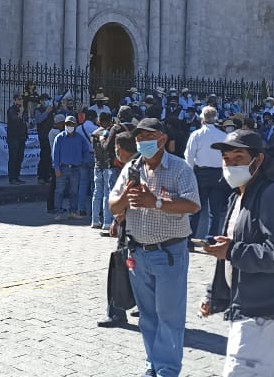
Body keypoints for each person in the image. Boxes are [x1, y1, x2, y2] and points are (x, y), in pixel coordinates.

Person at [201, 129, 274, 377]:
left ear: (258, 160)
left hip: (265, 308)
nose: (230, 165)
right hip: (248, 303)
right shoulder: (240, 195)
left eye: (238, 158)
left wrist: (232, 250)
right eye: (226, 159)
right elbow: (231, 248)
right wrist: (215, 293)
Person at [108, 118, 200, 377]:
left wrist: (156, 202)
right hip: (138, 254)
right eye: (139, 138)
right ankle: (153, 365)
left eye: (147, 137)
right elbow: (113, 205)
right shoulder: (132, 168)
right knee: (148, 317)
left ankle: (167, 371)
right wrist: (125, 198)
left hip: (169, 254)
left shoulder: (180, 168)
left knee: (169, 318)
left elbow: (193, 205)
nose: (142, 142)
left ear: (161, 139)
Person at [97, 130, 138, 328]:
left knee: (120, 267)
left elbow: (128, 198)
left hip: (131, 228)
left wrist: (118, 218)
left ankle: (116, 311)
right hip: (136, 227)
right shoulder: (141, 164)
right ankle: (140, 304)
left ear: (119, 149)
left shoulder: (133, 167)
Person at [184, 106, 232, 240]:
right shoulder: (223, 136)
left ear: (202, 119)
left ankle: (189, 237)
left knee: (196, 207)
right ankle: (211, 237)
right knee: (215, 210)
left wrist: (190, 172)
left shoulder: (197, 135)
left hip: (201, 173)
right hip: (218, 173)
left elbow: (189, 156)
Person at [52, 115, 91, 220]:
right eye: (67, 124)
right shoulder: (59, 138)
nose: (69, 126)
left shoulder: (80, 139)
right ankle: (58, 213)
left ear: (75, 125)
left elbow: (86, 151)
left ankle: (72, 212)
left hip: (75, 168)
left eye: (71, 124)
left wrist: (83, 162)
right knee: (59, 191)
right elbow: (55, 154)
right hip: (62, 168)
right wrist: (56, 168)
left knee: (74, 191)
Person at [90, 112, 121, 232]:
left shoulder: (94, 134)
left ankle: (95, 219)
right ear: (109, 121)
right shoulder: (107, 133)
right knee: (107, 194)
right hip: (107, 165)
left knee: (97, 193)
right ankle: (107, 222)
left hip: (97, 165)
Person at [6, 93, 29, 185]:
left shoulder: (24, 110)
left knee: (20, 158)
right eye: (19, 99)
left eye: (22, 99)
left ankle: (17, 176)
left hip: (22, 137)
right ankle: (12, 178)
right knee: (13, 158)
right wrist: (21, 113)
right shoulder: (11, 110)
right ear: (15, 100)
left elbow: (26, 121)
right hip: (13, 137)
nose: (21, 101)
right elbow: (14, 120)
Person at [34, 94, 56, 184]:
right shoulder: (38, 110)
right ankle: (41, 176)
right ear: (41, 101)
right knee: (44, 156)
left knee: (49, 157)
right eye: (45, 100)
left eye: (48, 99)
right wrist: (46, 112)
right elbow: (39, 120)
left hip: (50, 135)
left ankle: (48, 175)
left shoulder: (51, 110)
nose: (47, 101)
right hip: (43, 136)